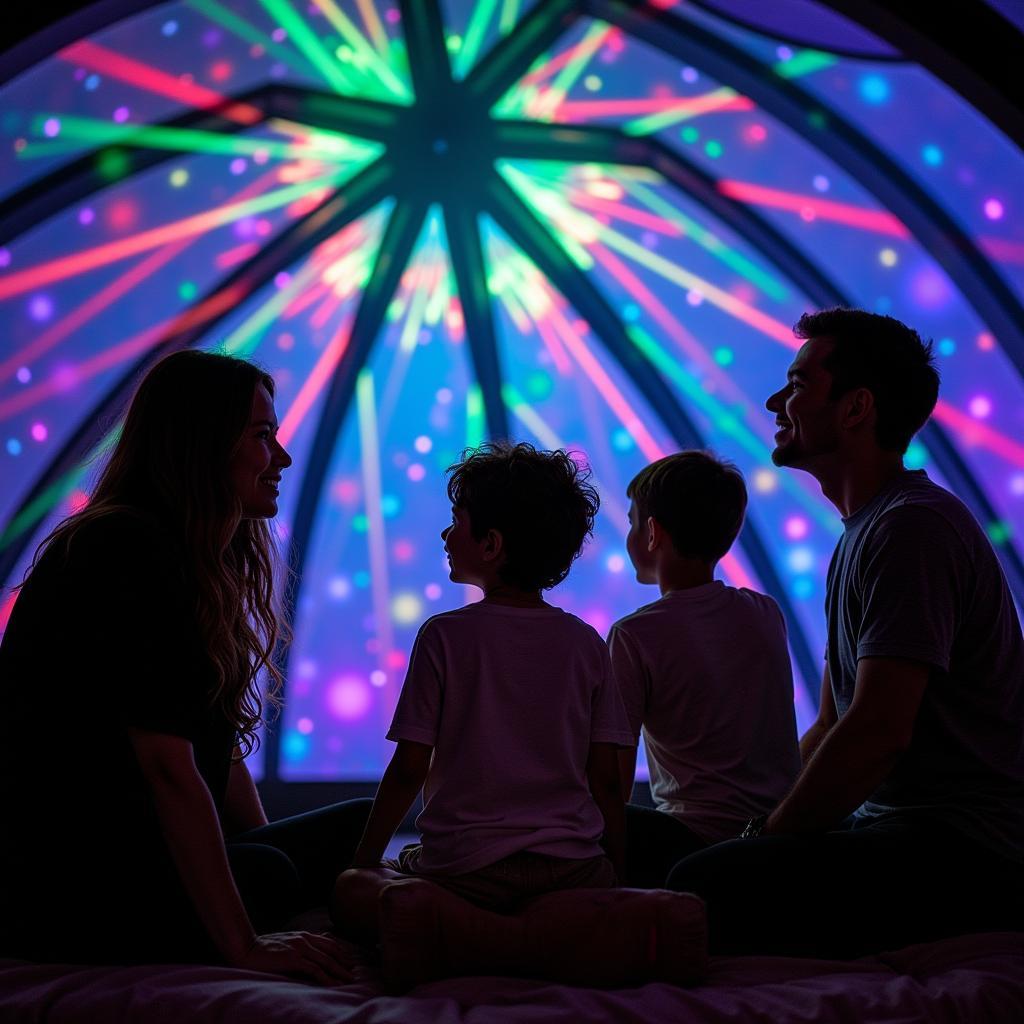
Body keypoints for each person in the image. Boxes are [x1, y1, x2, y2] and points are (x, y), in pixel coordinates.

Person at [0, 350, 369, 982]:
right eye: (262, 437)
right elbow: (170, 769)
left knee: (364, 822)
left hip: (143, 861)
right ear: (203, 443)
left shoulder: (190, 559)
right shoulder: (123, 549)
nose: (280, 459)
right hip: (71, 887)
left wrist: (269, 880)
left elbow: (219, 762)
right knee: (278, 874)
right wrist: (248, 943)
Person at [667, 308, 1024, 957]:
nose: (777, 400)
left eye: (799, 384)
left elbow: (876, 733)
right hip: (904, 834)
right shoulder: (868, 533)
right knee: (683, 857)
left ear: (856, 408)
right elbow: (834, 724)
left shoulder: (911, 530)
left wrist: (764, 837)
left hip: (963, 853)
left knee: (699, 885)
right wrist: (751, 823)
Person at [330, 442, 707, 991]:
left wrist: (363, 861)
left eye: (456, 523)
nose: (445, 535)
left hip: (464, 872)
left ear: (491, 544)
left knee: (355, 892)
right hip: (570, 870)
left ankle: (474, 936)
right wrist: (615, 879)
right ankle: (560, 935)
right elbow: (605, 777)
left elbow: (410, 767)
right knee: (587, 907)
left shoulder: (444, 636)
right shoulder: (585, 644)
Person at [608, 451, 800, 887]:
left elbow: (612, 778)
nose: (632, 532)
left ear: (653, 532)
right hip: (780, 838)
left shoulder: (635, 635)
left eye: (634, 521)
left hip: (690, 843)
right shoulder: (765, 612)